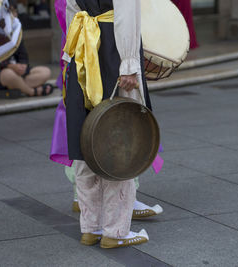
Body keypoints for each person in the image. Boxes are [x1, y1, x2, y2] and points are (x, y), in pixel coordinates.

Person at [51, 0, 163, 221]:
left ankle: (91, 226)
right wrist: (129, 65)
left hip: (84, 49)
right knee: (121, 136)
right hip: (113, 49)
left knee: (87, 135)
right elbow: (126, 14)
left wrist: (73, 55)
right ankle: (116, 229)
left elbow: (71, 11)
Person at [0, 1, 53, 98]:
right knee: (8, 75)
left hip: (17, 73)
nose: (14, 15)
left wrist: (22, 66)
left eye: (15, 12)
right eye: (10, 12)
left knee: (45, 72)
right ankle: (32, 91)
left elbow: (23, 57)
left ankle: (17, 86)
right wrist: (12, 67)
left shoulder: (15, 32)